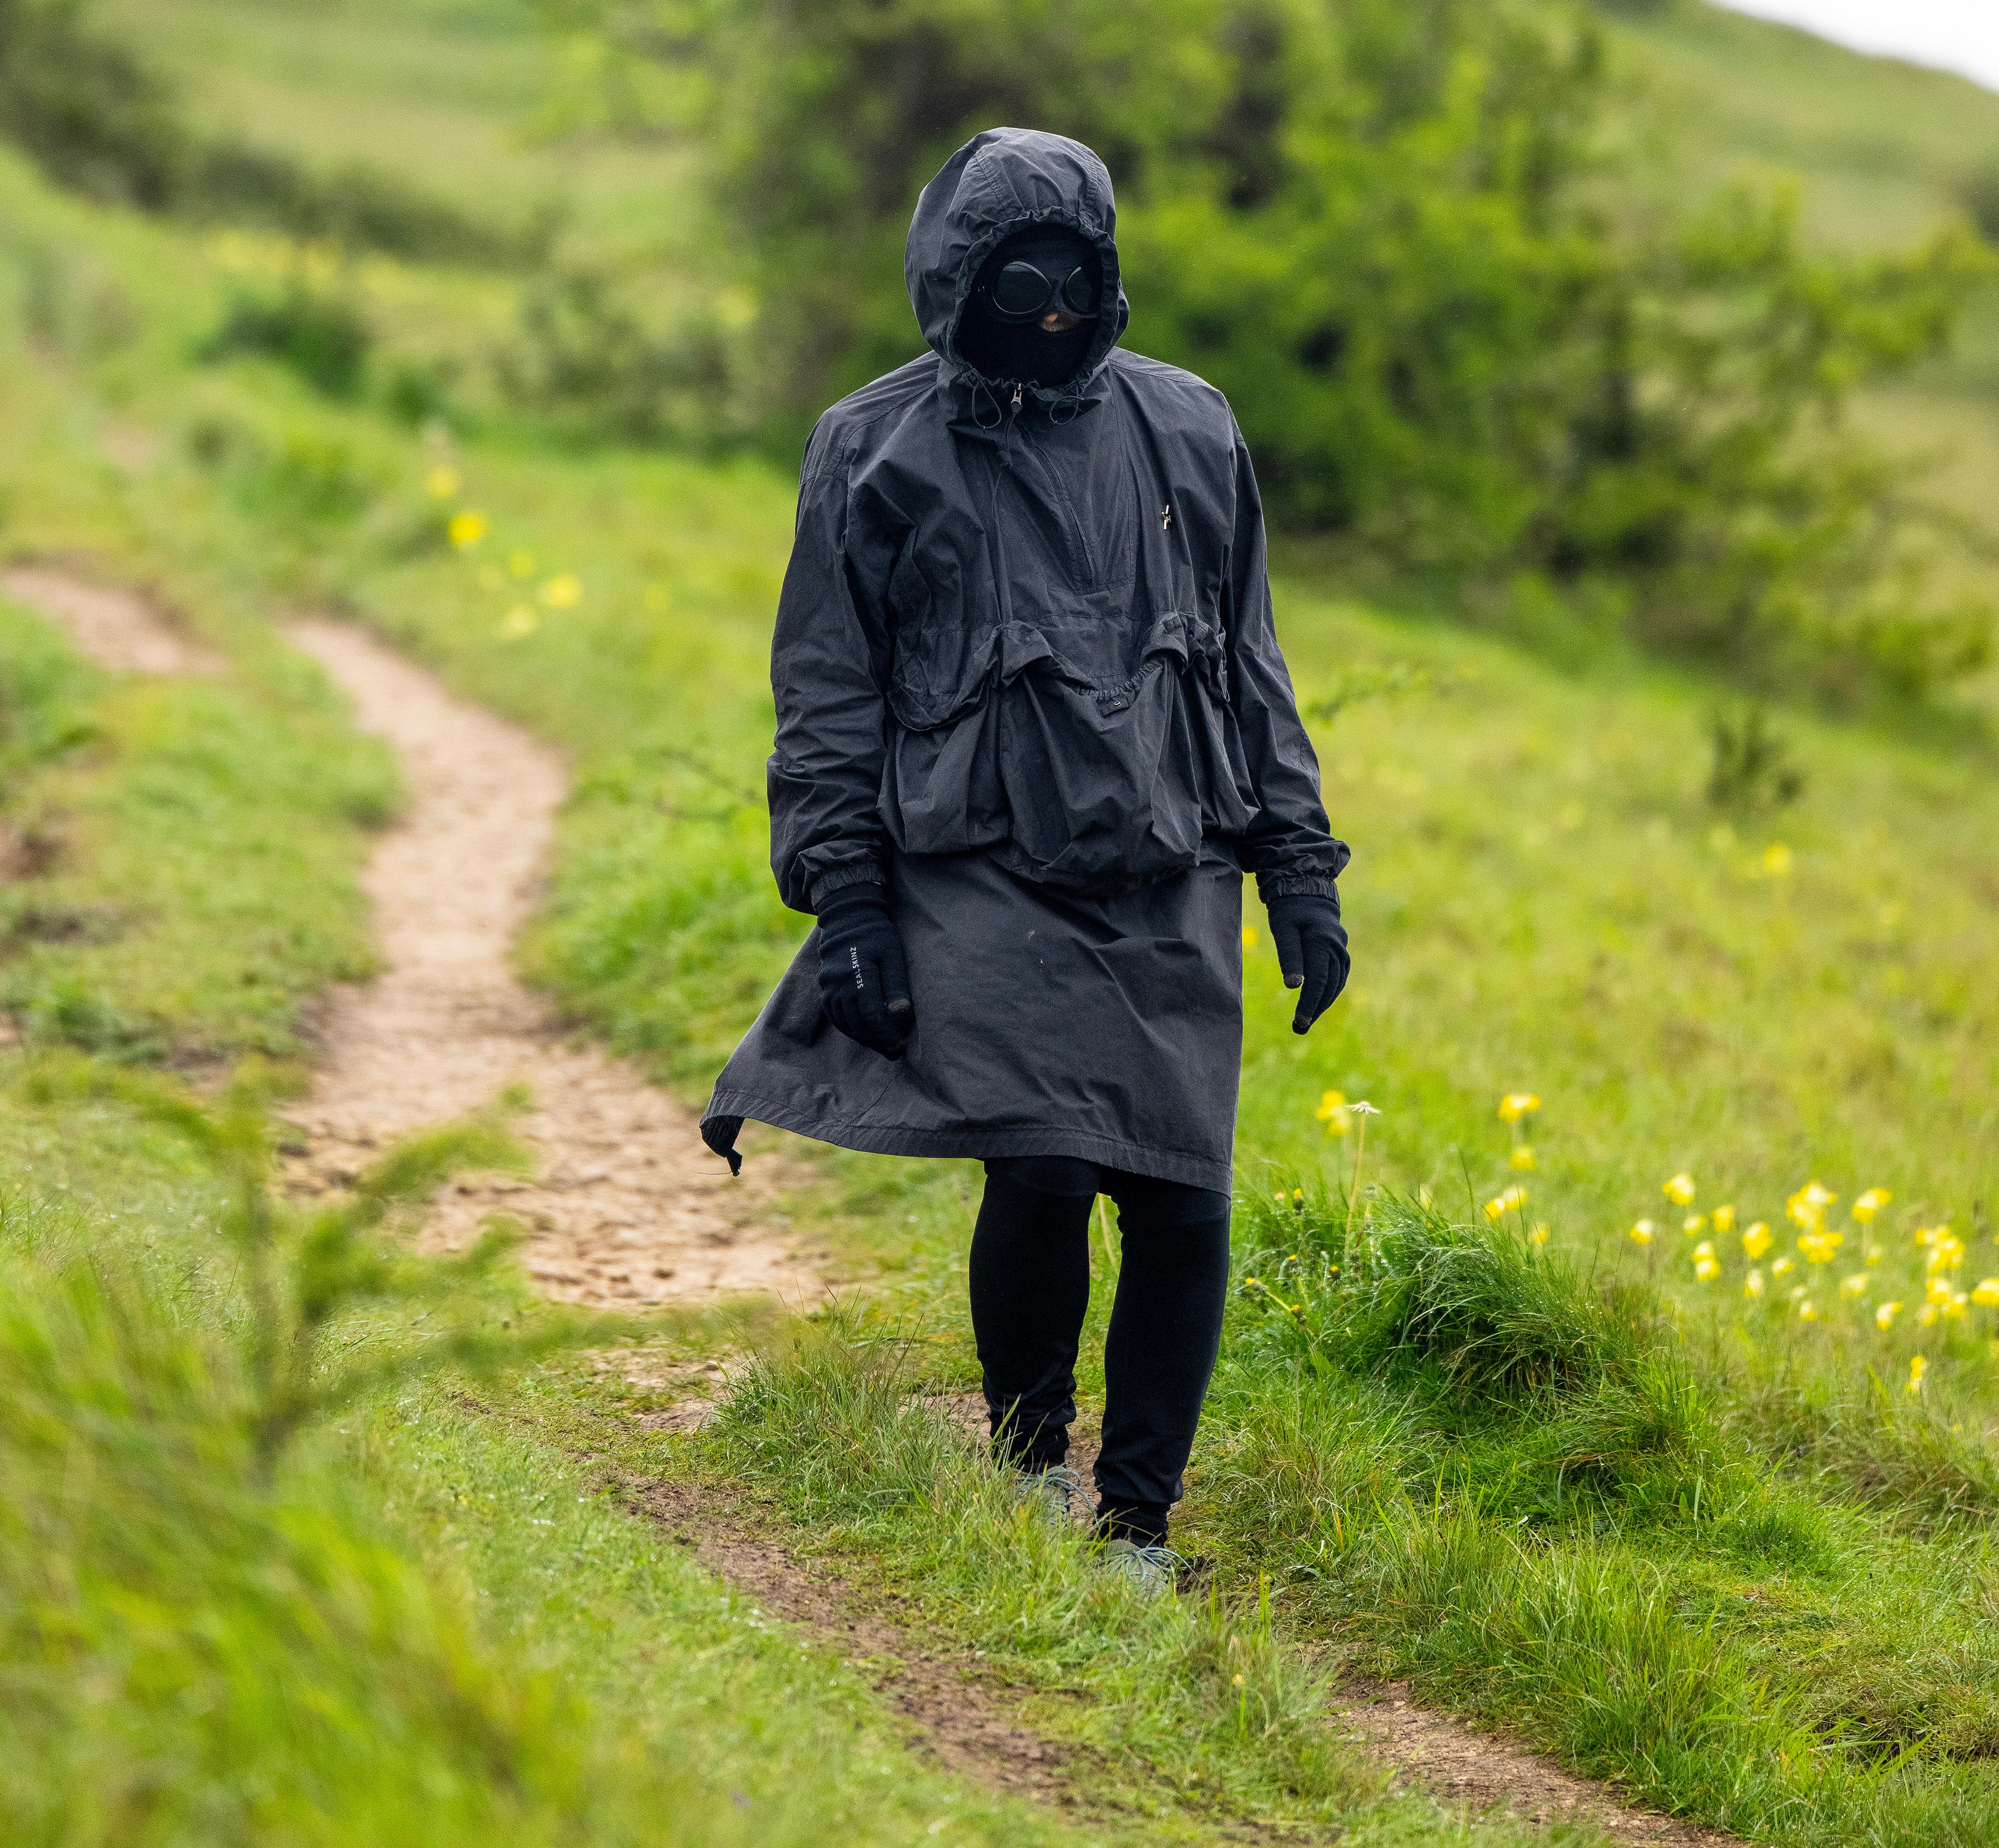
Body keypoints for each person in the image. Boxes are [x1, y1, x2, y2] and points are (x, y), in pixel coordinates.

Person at [702, 127, 1349, 1590]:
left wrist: (1296, 868)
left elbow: (1250, 666)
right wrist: (849, 896)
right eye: (1014, 290)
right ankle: (1021, 1473)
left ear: (1108, 281)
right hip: (977, 863)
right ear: (953, 281)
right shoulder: (872, 446)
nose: (1049, 319)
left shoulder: (1189, 424)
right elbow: (827, 689)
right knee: (1045, 1163)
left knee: (1182, 1191)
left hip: (1168, 858)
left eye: (1074, 291)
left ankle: (1136, 1530)